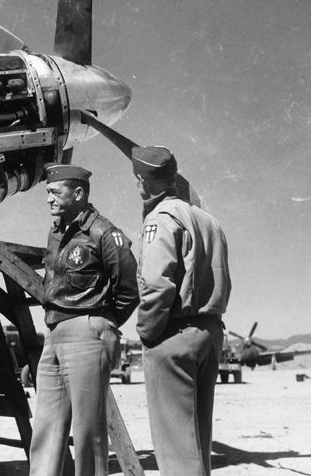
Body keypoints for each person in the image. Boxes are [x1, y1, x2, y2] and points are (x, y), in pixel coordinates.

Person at [29, 163, 139, 476]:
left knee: (88, 431)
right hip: (54, 331)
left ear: (78, 193)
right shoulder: (56, 231)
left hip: (88, 330)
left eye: (54, 192)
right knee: (46, 429)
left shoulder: (104, 233)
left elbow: (129, 291)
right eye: (47, 192)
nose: (48, 198)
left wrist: (99, 325)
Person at [132, 146, 231, 476]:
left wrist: (147, 332)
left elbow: (157, 285)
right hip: (210, 331)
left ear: (143, 183)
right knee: (198, 444)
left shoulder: (160, 220)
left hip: (174, 335)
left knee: (176, 450)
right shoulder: (209, 220)